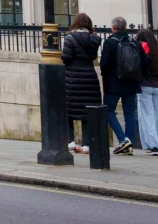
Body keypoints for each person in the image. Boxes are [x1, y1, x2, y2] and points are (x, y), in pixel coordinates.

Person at [97, 16, 142, 154]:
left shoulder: (110, 42)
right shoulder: (134, 43)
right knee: (130, 114)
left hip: (113, 84)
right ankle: (129, 144)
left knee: (108, 111)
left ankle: (123, 140)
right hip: (131, 83)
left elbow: (104, 65)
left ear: (113, 28)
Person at [60, 13, 103, 155]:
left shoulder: (69, 38)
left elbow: (66, 58)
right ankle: (86, 145)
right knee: (87, 111)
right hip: (90, 77)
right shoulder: (95, 39)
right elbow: (93, 57)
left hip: (72, 78)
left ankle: (70, 141)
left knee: (67, 111)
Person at [135, 29, 158, 155]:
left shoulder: (141, 51)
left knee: (146, 117)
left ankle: (153, 145)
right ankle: (157, 143)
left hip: (145, 86)